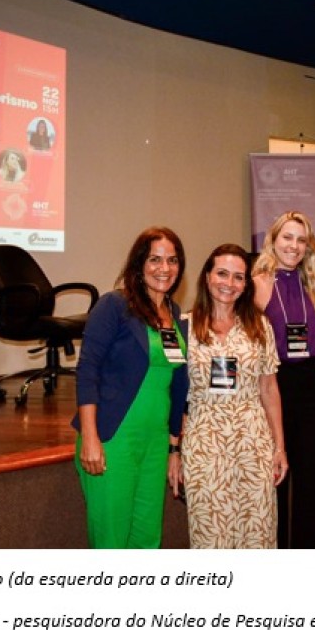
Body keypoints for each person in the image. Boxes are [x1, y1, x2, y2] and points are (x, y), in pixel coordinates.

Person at [71, 227, 189, 549]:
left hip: (155, 443)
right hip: (115, 438)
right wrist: (91, 438)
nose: (164, 268)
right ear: (139, 264)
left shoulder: (175, 314)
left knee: (147, 538)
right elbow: (87, 370)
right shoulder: (114, 305)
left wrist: (173, 447)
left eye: (172, 260)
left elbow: (177, 384)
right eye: (155, 259)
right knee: (112, 540)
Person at [172, 244, 287, 549]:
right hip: (204, 443)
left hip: (253, 443)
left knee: (258, 533)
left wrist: (280, 448)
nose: (229, 283)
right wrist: (175, 450)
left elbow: (269, 389)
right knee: (210, 536)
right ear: (207, 276)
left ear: (246, 284)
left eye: (238, 277)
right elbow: (175, 395)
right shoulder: (184, 327)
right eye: (222, 273)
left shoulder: (260, 326)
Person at [252, 211, 315, 548]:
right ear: (273, 240)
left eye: (301, 240)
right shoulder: (257, 284)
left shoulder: (313, 284)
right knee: (276, 478)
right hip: (274, 385)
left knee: (311, 480)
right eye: (287, 237)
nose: (294, 246)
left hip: (311, 386)